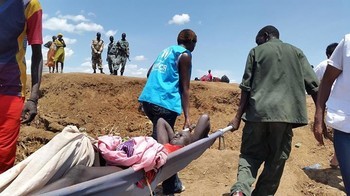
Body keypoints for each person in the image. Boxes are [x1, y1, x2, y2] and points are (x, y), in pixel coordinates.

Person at [228, 25, 319, 196]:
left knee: (249, 154)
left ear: (266, 35)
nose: (258, 44)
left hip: (257, 114)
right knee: (276, 160)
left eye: (259, 40)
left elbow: (246, 87)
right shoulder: (297, 52)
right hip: (285, 116)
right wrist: (320, 116)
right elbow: (314, 86)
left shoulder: (256, 52)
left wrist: (237, 117)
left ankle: (240, 190)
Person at [36, 114, 210, 194]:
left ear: (191, 142)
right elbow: (162, 122)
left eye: (182, 136)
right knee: (84, 158)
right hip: (127, 161)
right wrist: (176, 136)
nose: (178, 134)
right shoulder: (162, 146)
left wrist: (191, 132)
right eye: (177, 132)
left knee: (80, 173)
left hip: (134, 174)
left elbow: (204, 118)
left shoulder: (179, 151)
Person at [138, 29, 197, 195]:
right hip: (164, 103)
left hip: (149, 101)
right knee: (164, 148)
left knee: (160, 142)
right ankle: (167, 188)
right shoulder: (185, 55)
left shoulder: (166, 51)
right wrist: (187, 117)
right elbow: (185, 88)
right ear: (192, 42)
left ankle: (174, 184)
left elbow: (150, 73)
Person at [0, 0, 43, 174]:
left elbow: (37, 55)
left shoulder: (29, 5)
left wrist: (33, 97)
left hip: (11, 88)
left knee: (3, 156)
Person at [313, 34, 350, 195]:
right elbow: (323, 82)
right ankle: (336, 160)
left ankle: (335, 161)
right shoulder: (348, 43)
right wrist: (318, 115)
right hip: (344, 118)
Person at [313, 42, 339, 169]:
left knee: (340, 133)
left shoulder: (324, 65)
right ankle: (336, 159)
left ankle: (336, 159)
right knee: (340, 132)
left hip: (335, 104)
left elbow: (312, 80)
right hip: (336, 104)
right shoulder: (327, 64)